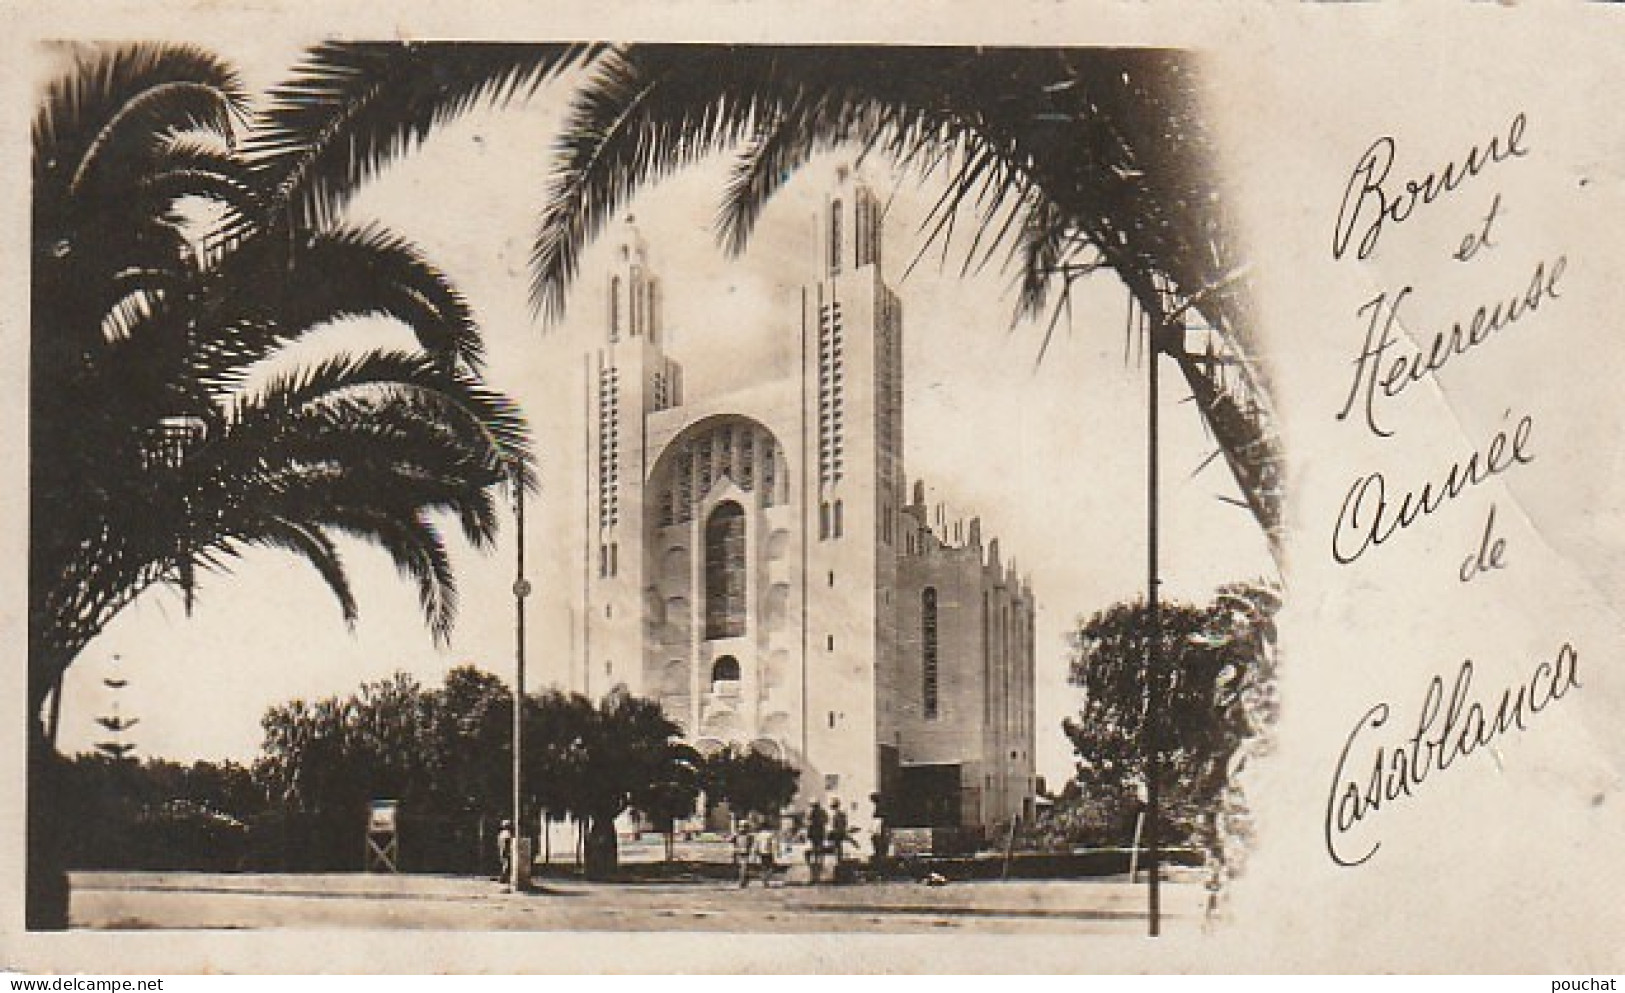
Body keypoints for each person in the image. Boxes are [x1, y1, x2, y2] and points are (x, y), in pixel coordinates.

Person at [805, 800, 828, 883]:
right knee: (818, 848)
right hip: (819, 833)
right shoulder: (822, 812)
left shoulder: (813, 813)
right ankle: (819, 861)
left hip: (816, 832)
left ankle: (817, 862)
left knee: (816, 848)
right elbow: (826, 820)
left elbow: (809, 821)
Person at [753, 817, 779, 887]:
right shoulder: (771, 834)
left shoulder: (758, 835)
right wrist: (777, 851)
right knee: (771, 867)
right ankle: (765, 879)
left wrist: (755, 852)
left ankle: (764, 879)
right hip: (768, 852)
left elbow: (756, 844)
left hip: (761, 853)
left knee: (764, 867)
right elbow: (774, 843)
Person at [733, 816, 757, 888]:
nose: (742, 828)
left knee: (743, 868)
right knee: (742, 868)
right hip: (741, 852)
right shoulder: (739, 835)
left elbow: (752, 844)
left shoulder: (747, 835)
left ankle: (742, 882)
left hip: (743, 852)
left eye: (744, 826)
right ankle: (743, 881)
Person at [496, 819, 514, 886]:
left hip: (501, 850)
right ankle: (503, 878)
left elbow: (499, 843)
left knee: (504, 864)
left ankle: (503, 878)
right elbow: (507, 843)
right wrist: (509, 851)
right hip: (506, 850)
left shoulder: (501, 833)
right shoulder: (507, 834)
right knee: (506, 864)